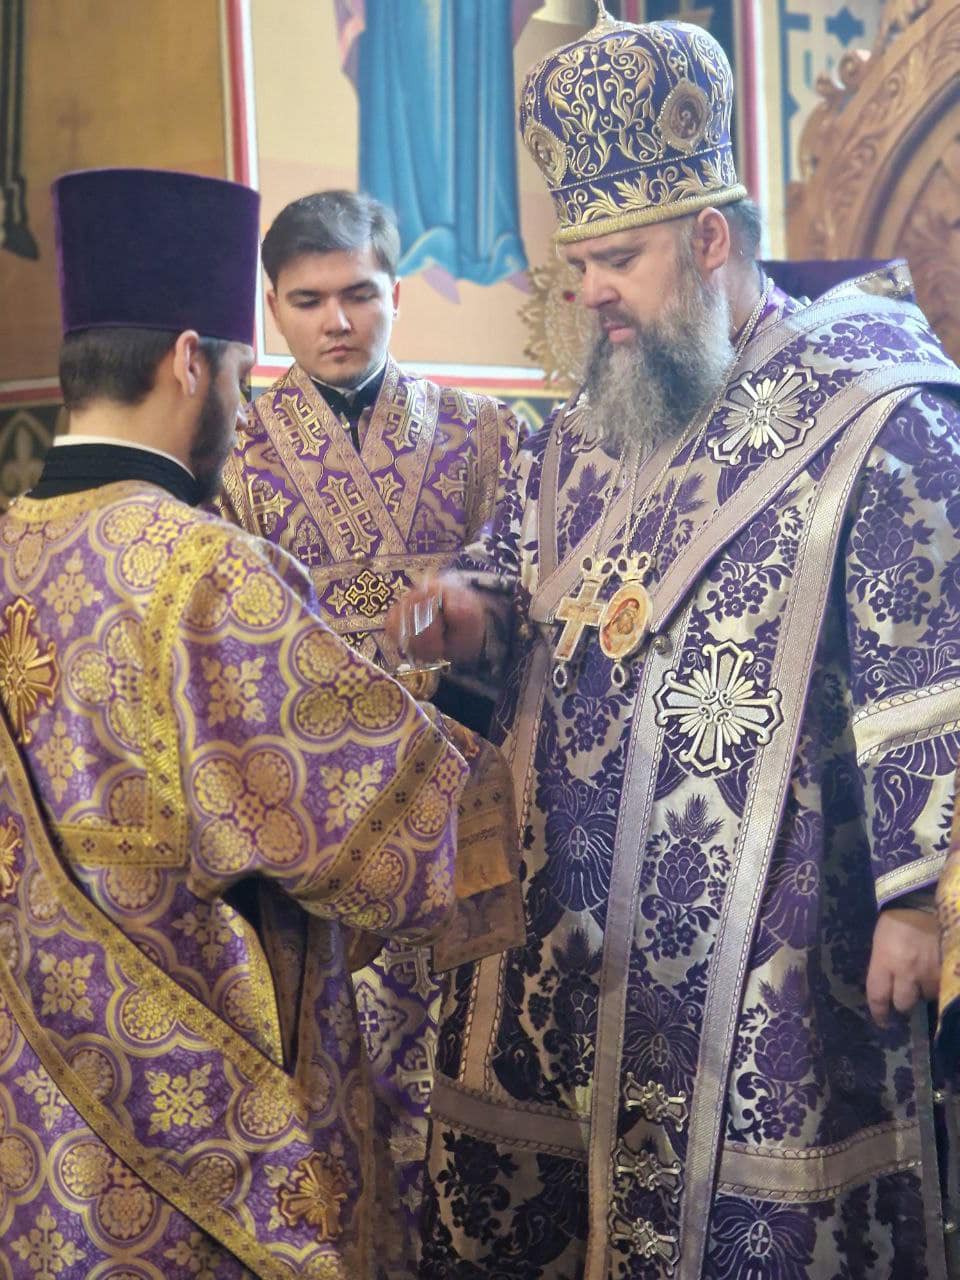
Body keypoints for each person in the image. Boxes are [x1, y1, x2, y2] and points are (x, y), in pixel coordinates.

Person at [390, 12, 960, 1278]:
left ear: (709, 239)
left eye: (619, 258)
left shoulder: (874, 409)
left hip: (773, 957)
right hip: (573, 947)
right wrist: (469, 612)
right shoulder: (603, 408)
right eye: (580, 261)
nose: (591, 289)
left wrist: (920, 898)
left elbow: (930, 650)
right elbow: (523, 570)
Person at [0, 167, 470, 1280]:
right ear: (187, 361)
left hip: (30, 1090)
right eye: (240, 371)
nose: (243, 399)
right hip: (203, 1109)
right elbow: (386, 827)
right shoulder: (208, 571)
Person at [216, 189, 523, 1277]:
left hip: (466, 810)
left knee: (476, 1079)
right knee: (341, 1094)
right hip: (320, 834)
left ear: (397, 291)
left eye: (359, 294)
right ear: (273, 306)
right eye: (308, 301)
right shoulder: (236, 452)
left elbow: (536, 596)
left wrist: (473, 618)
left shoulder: (486, 432)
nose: (337, 322)